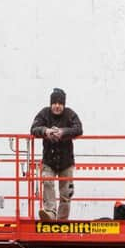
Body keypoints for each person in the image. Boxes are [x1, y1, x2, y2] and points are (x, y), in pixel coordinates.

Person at [30, 88, 83, 221]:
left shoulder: (70, 114)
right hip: (49, 160)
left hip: (66, 162)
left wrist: (63, 132)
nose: (57, 106)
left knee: (66, 194)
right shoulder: (44, 113)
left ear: (64, 104)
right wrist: (46, 131)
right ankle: (50, 213)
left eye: (60, 103)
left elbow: (79, 129)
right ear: (51, 103)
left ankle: (61, 220)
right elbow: (33, 129)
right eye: (55, 103)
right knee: (47, 181)